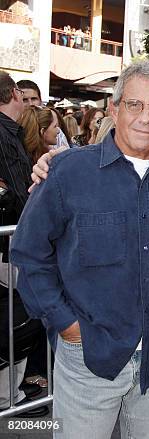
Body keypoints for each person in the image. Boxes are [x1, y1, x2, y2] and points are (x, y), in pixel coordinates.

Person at [11, 60, 149, 438]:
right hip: (89, 358)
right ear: (115, 109)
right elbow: (28, 253)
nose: (145, 118)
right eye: (134, 105)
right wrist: (65, 323)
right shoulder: (67, 172)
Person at [0, 71, 49, 418]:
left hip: (16, 240)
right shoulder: (4, 135)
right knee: (17, 318)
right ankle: (8, 397)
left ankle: (12, 393)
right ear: (15, 93)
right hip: (10, 245)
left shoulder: (11, 133)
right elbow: (15, 192)